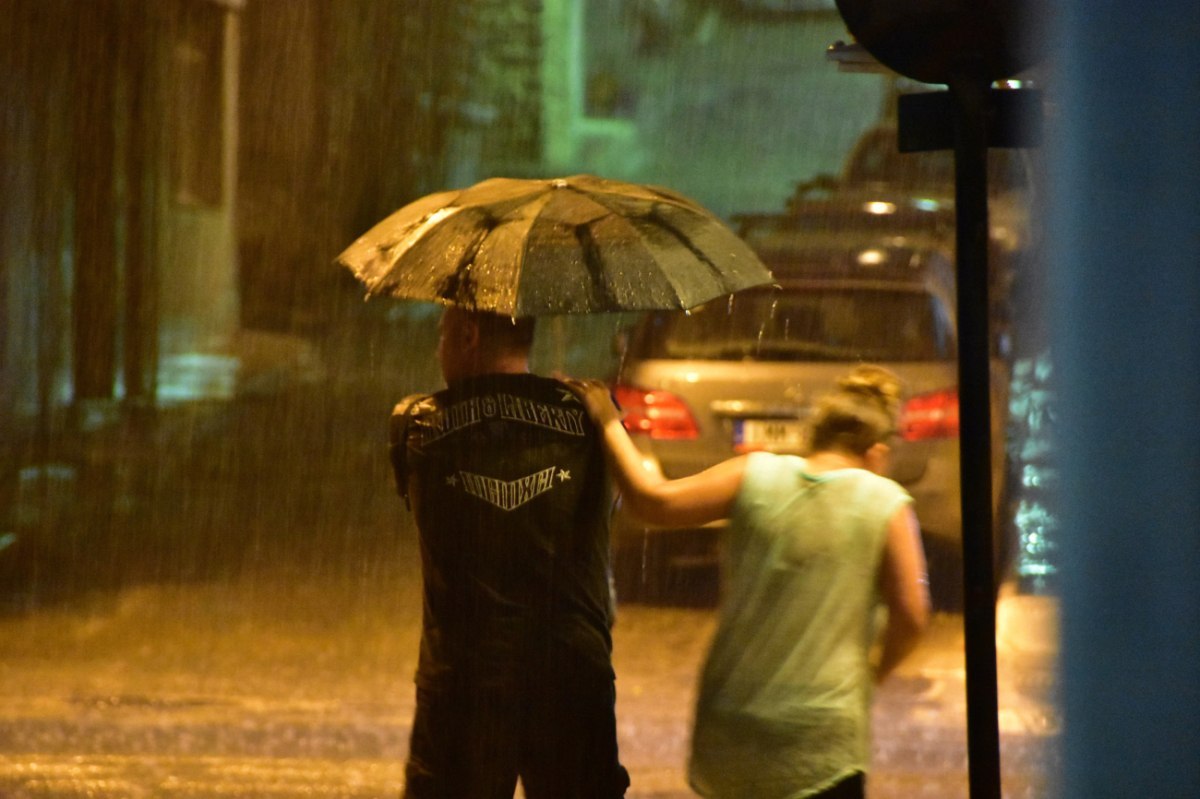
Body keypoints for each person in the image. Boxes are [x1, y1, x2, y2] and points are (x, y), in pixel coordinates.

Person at [568, 365, 930, 799]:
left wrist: (607, 417)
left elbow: (653, 501)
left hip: (731, 727)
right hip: (820, 738)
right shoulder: (884, 501)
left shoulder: (753, 474)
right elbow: (911, 614)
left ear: (816, 436)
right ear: (876, 453)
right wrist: (871, 673)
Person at [389, 307, 630, 798]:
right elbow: (614, 503)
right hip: (570, 673)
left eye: (443, 333)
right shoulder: (591, 419)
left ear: (468, 334)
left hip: (466, 676)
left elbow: (418, 500)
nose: (440, 347)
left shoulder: (416, 424)